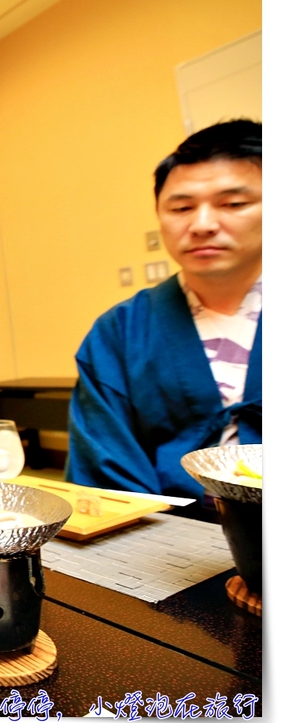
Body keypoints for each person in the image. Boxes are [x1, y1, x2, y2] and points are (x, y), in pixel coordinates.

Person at [65, 119, 261, 506]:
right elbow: (105, 473)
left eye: (233, 203)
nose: (202, 224)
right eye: (182, 207)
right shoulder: (119, 332)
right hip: (166, 545)